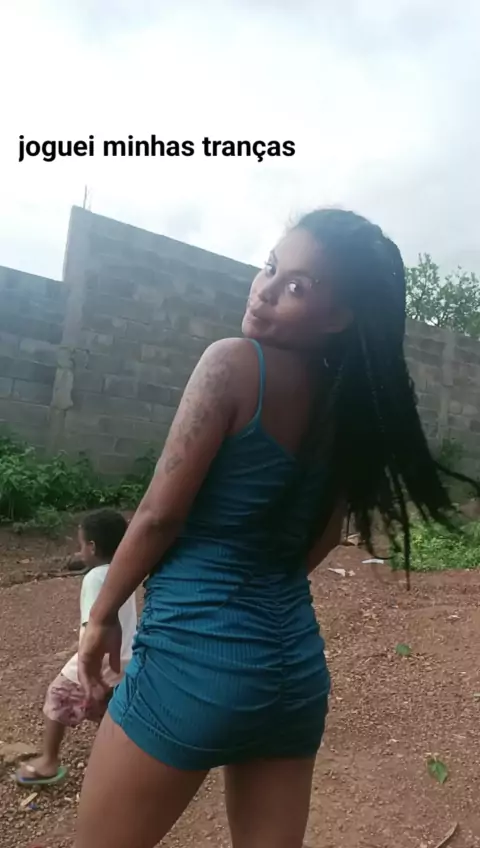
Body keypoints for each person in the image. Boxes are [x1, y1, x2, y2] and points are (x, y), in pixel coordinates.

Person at [73, 209, 478, 848]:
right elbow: (324, 538)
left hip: (192, 662)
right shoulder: (349, 410)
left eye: (295, 286)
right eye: (269, 268)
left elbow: (158, 516)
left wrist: (100, 618)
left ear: (337, 316)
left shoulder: (232, 365)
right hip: (293, 677)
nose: (264, 290)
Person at [16, 509, 137, 787]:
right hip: (126, 655)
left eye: (81, 544)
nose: (79, 551)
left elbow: (96, 624)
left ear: (92, 547)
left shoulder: (94, 577)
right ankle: (124, 763)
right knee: (106, 708)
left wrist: (86, 662)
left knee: (58, 694)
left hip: (101, 657)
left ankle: (49, 762)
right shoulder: (125, 572)